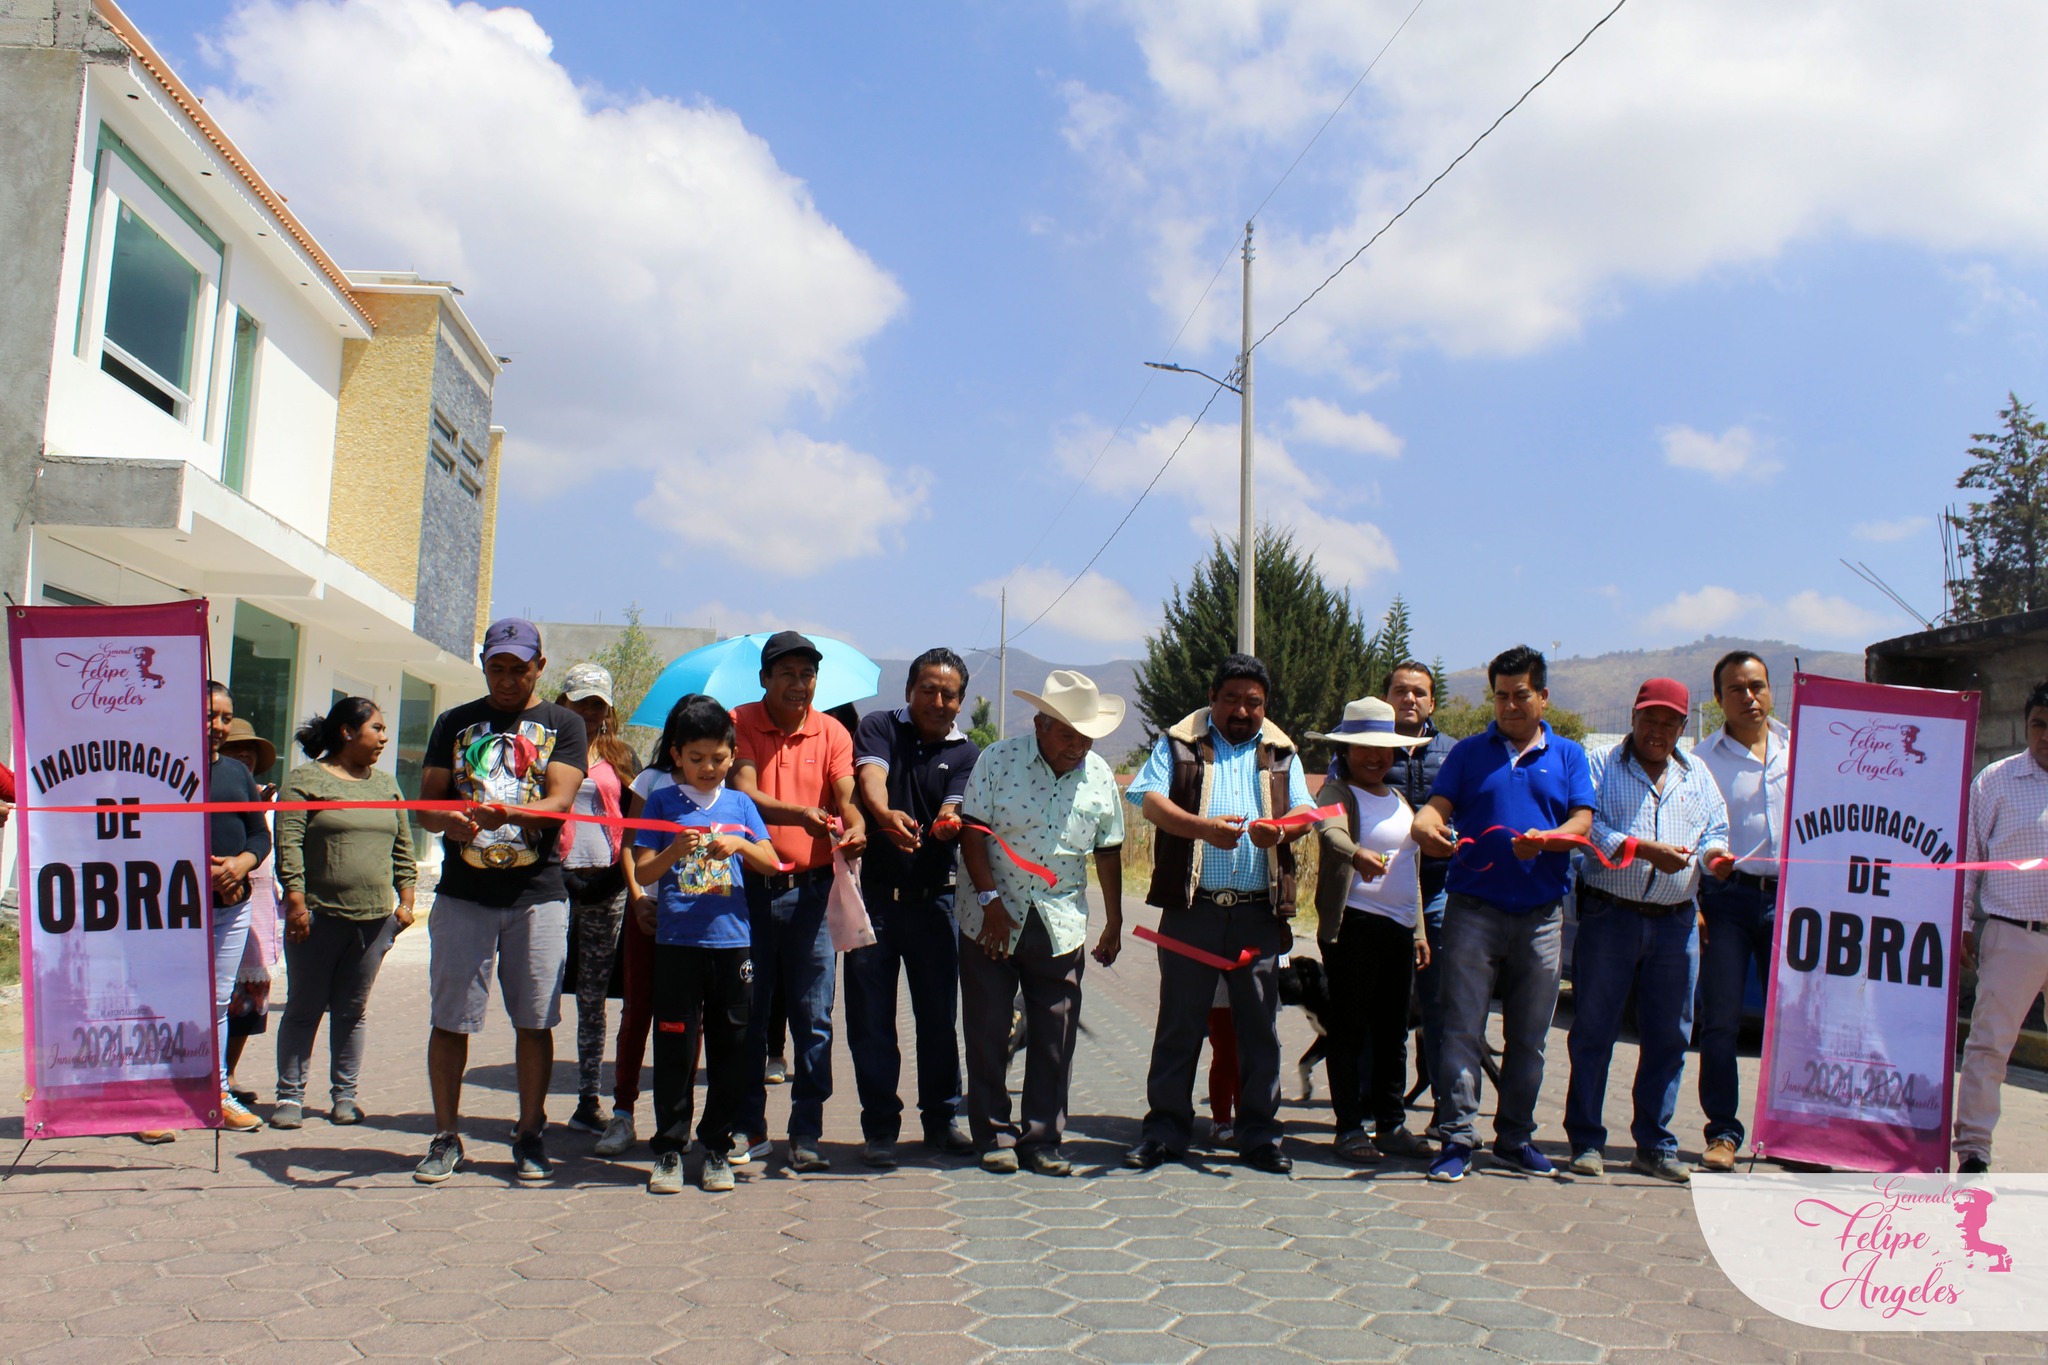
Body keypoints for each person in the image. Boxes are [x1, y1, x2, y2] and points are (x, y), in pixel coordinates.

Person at [1123, 654, 1319, 1176]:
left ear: (1265, 707)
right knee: (1179, 1027)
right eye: (1231, 698)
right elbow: (1146, 798)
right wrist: (1201, 828)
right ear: (1212, 698)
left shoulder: (1282, 753)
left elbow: (1305, 811)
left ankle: (1259, 1135)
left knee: (1260, 1031)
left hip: (1258, 916)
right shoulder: (1179, 744)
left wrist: (1282, 830)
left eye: (1253, 702)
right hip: (1194, 912)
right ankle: (1165, 1131)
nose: (1241, 709)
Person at [412, 618, 587, 1184]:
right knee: (450, 1019)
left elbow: (560, 800)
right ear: (484, 665)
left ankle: (530, 1134)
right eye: (497, 668)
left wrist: (510, 814)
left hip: (537, 896)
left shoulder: (562, 724)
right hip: (464, 895)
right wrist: (452, 823)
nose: (508, 679)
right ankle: (445, 1136)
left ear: (540, 666)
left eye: (519, 668)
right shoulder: (454, 722)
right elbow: (425, 806)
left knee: (534, 1021)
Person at [1411, 645, 1594, 1182]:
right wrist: (1425, 827)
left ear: (1543, 696)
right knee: (1462, 1029)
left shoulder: (1569, 756)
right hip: (1473, 911)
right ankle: (1458, 1139)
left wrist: (1552, 839)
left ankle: (1514, 1137)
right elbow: (1434, 812)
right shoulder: (1468, 754)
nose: (1510, 706)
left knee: (1529, 1039)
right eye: (1500, 696)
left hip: (1541, 917)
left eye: (1521, 695)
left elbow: (1582, 821)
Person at [957, 670, 1125, 1175]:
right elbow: (972, 831)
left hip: (1060, 922)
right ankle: (991, 1133)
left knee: (1056, 1032)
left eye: (1086, 734)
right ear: (1039, 724)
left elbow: (1109, 851)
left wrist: (1114, 922)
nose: (1078, 745)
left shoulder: (1098, 776)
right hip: (990, 917)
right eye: (1067, 733)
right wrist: (988, 899)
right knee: (988, 1029)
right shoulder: (997, 760)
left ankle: (1042, 1139)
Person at [1563, 679, 1730, 1184]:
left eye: (1669, 723)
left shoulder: (1697, 773)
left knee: (1670, 1037)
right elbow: (1587, 829)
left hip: (1676, 923)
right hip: (1610, 916)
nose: (1658, 731)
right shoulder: (1600, 765)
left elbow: (1716, 831)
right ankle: (1586, 1141)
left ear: (1683, 726)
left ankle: (1654, 1145)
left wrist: (1715, 858)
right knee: (1594, 1031)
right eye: (1649, 720)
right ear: (1634, 717)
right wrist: (1641, 849)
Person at [632, 695, 782, 1194]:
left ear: (731, 753)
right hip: (677, 943)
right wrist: (674, 848)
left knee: (731, 1047)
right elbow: (643, 869)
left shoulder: (739, 805)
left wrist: (740, 843)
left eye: (718, 759)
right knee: (674, 1044)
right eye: (696, 759)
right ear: (676, 755)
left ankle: (717, 1146)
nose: (707, 769)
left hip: (732, 944)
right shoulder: (661, 802)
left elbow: (771, 860)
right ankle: (670, 1150)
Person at [730, 631, 866, 1172]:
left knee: (815, 1017)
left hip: (811, 896)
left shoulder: (832, 731)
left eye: (807, 674)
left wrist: (855, 828)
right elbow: (743, 794)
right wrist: (799, 815)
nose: (798, 684)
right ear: (764, 678)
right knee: (747, 1015)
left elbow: (848, 799)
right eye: (786, 673)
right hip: (747, 895)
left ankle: (806, 1131)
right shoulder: (740, 722)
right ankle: (749, 1128)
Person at [848, 648, 980, 1167]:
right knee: (871, 1022)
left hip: (936, 906)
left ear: (961, 702)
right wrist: (882, 815)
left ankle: (941, 1121)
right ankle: (879, 1127)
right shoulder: (879, 727)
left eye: (949, 694)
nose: (938, 700)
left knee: (938, 1020)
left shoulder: (968, 753)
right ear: (909, 692)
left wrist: (949, 821)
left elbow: (955, 804)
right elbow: (870, 780)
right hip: (874, 903)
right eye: (928, 689)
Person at [270, 697, 417, 1128]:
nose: (384, 737)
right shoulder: (305, 781)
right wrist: (296, 904)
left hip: (373, 922)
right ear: (347, 733)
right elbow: (289, 844)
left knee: (353, 1010)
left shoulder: (387, 785)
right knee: (305, 1007)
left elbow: (403, 847)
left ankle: (345, 1095)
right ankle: (290, 1097)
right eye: (377, 728)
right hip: (317, 918)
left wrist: (405, 904)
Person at [1309, 697, 1433, 1164]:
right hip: (1354, 927)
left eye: (1384, 749)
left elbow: (1410, 872)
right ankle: (1348, 1128)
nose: (1376, 757)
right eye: (1364, 749)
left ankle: (1391, 1124)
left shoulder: (1400, 801)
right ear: (1345, 751)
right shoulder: (1335, 793)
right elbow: (1329, 832)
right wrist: (1355, 853)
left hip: (1399, 931)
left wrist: (1419, 930)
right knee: (1349, 1030)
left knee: (1392, 1032)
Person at [1693, 650, 1789, 1171]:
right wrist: (1699, 898)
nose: (1749, 697)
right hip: (1726, 902)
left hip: (1792, 902)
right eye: (1737, 689)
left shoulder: (1802, 749)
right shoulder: (1703, 760)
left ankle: (1789, 1133)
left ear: (1770, 689)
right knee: (1721, 1023)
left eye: (1757, 686)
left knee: (1793, 1022)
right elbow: (1688, 833)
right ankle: (1723, 1135)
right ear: (1719, 699)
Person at [1954, 679, 2048, 1174]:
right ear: (2028, 724)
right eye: (2039, 724)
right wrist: (1964, 923)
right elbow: (1969, 856)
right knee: (1990, 1044)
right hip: (2013, 934)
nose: (2046, 735)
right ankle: (1973, 1149)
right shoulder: (1996, 780)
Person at [554, 663, 638, 1137]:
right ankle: (532, 1100)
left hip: (606, 888)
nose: (587, 712)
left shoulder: (622, 757)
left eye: (596, 705)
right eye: (579, 702)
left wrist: (627, 882)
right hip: (549, 886)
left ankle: (589, 1098)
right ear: (562, 702)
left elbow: (639, 822)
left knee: (593, 997)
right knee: (541, 993)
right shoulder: (541, 751)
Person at [1383, 661, 1459, 1134]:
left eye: (1419, 693)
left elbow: (1472, 807)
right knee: (1386, 1008)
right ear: (1387, 697)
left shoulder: (1455, 753)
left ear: (1431, 702)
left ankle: (1446, 1112)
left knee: (1442, 1008)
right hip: (1382, 891)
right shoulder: (1363, 747)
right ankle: (1383, 1111)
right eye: (1400, 691)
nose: (1409, 699)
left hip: (1441, 890)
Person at [220, 719, 281, 1105]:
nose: (244, 755)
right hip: (219, 903)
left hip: (258, 908)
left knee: (247, 1000)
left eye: (250, 751)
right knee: (213, 997)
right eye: (236, 749)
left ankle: (229, 1075)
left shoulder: (271, 799)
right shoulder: (215, 791)